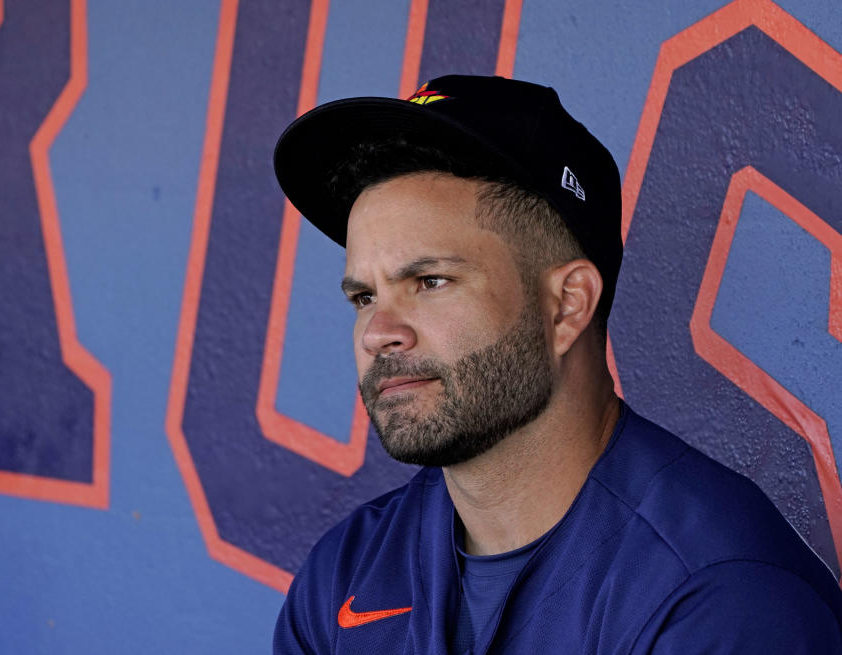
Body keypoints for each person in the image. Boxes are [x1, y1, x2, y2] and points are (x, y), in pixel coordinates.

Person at [270, 75, 842, 654]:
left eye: (430, 281)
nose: (378, 334)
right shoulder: (344, 576)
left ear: (567, 306)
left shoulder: (720, 595)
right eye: (364, 297)